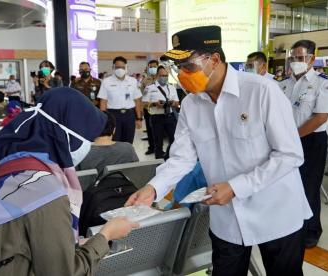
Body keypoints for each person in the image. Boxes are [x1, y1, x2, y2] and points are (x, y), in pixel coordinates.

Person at [126, 26, 311, 276]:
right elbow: (182, 158)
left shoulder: (261, 91)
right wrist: (153, 188)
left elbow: (289, 155)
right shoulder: (192, 104)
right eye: (177, 68)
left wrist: (236, 187)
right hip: (228, 218)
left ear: (214, 59)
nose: (182, 75)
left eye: (187, 66)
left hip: (276, 210)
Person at [0, 88, 138, 275]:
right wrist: (106, 236)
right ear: (68, 136)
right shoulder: (44, 189)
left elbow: (16, 235)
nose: (90, 145)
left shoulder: (10, 158)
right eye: (89, 138)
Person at [278, 39, 328, 249]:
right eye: (292, 58)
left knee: (309, 187)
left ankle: (311, 231)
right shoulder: (284, 84)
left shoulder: (324, 82)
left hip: (311, 141)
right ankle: (291, 227)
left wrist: (293, 136)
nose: (295, 62)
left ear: (312, 58)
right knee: (288, 185)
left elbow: (320, 117)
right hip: (286, 140)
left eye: (300, 58)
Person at [98, 56, 143, 144]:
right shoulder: (106, 82)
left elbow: (137, 101)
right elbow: (103, 102)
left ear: (126, 68)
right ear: (113, 68)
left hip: (129, 115)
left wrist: (139, 118)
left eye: (123, 67)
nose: (120, 69)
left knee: (129, 142)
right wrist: (103, 121)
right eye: (118, 67)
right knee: (114, 142)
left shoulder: (133, 81)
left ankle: (127, 158)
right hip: (113, 115)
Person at [78, 111, 139, 175]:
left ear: (91, 129)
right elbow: (136, 171)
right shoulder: (128, 148)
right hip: (123, 184)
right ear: (114, 130)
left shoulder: (82, 153)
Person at [143, 66, 179, 159]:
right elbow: (144, 104)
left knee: (174, 140)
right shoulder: (149, 88)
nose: (164, 77)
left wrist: (172, 103)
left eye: (166, 76)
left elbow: (177, 103)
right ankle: (158, 162)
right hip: (157, 117)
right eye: (162, 75)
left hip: (169, 116)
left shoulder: (172, 87)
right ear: (157, 76)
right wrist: (155, 104)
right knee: (158, 142)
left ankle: (169, 157)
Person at [140, 60, 159, 155]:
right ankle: (151, 147)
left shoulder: (162, 78)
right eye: (151, 67)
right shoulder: (145, 80)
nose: (152, 69)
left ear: (158, 67)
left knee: (158, 130)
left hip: (159, 109)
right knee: (149, 129)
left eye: (154, 66)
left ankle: (159, 148)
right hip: (148, 108)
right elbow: (141, 95)